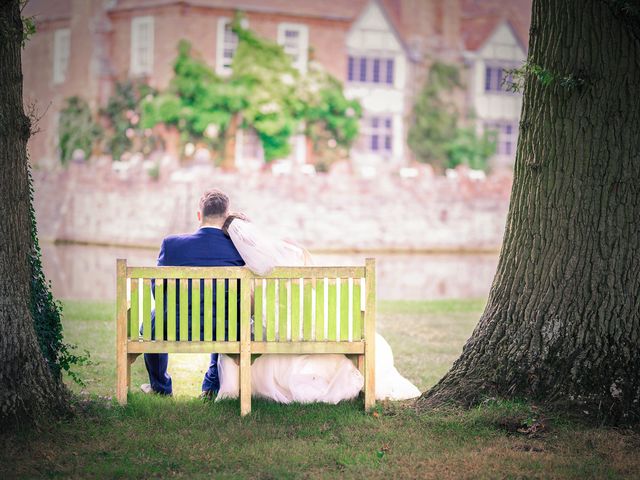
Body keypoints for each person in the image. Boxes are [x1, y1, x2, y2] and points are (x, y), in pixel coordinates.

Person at [215, 215, 421, 403]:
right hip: (317, 330)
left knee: (233, 345)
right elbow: (316, 291)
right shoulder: (296, 252)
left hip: (277, 337)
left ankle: (232, 392)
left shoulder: (248, 272)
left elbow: (251, 313)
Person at [141, 189, 244, 397]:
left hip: (172, 326)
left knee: (154, 322)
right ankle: (210, 387)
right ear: (226, 217)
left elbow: (157, 290)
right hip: (224, 328)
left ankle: (160, 387)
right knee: (224, 312)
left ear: (199, 215)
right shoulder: (237, 248)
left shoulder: (171, 245)